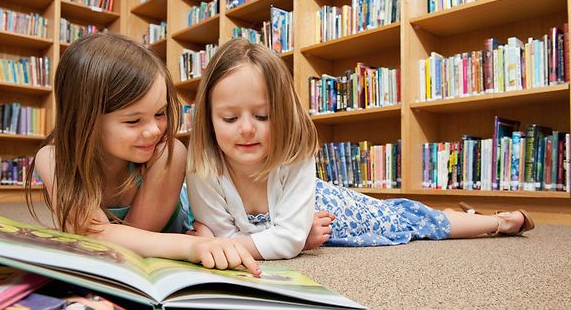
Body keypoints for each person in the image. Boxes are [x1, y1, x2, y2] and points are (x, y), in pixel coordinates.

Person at [185, 38, 535, 260]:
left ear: (284, 115)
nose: (246, 129)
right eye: (229, 118)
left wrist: (284, 240)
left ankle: (498, 223)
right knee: (406, 216)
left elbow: (238, 242)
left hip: (326, 206)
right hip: (304, 220)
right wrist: (280, 239)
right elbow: (235, 240)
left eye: (262, 115)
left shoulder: (295, 154)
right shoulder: (202, 166)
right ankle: (469, 215)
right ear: (208, 119)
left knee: (407, 219)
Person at [25, 33, 259, 274]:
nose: (153, 131)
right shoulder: (53, 159)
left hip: (200, 223)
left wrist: (196, 243)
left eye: (160, 114)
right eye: (134, 120)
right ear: (84, 119)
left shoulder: (168, 154)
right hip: (187, 242)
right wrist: (191, 246)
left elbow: (133, 240)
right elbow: (95, 236)